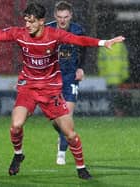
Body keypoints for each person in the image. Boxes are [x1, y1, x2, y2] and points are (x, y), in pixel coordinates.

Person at [0, 2, 125, 180]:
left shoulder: (54, 35)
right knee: (16, 126)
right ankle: (18, 155)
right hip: (28, 87)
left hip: (51, 89)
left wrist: (103, 42)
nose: (27, 25)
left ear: (41, 21)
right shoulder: (20, 34)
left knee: (70, 133)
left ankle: (81, 168)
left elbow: (79, 40)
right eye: (26, 21)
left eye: (31, 22)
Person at [46, 1, 86, 166]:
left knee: (66, 117)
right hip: (52, 78)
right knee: (57, 120)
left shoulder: (78, 30)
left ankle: (61, 152)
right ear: (55, 16)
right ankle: (61, 134)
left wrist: (81, 67)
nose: (63, 20)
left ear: (71, 16)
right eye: (60, 17)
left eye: (66, 17)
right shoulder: (47, 29)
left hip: (70, 77)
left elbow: (84, 49)